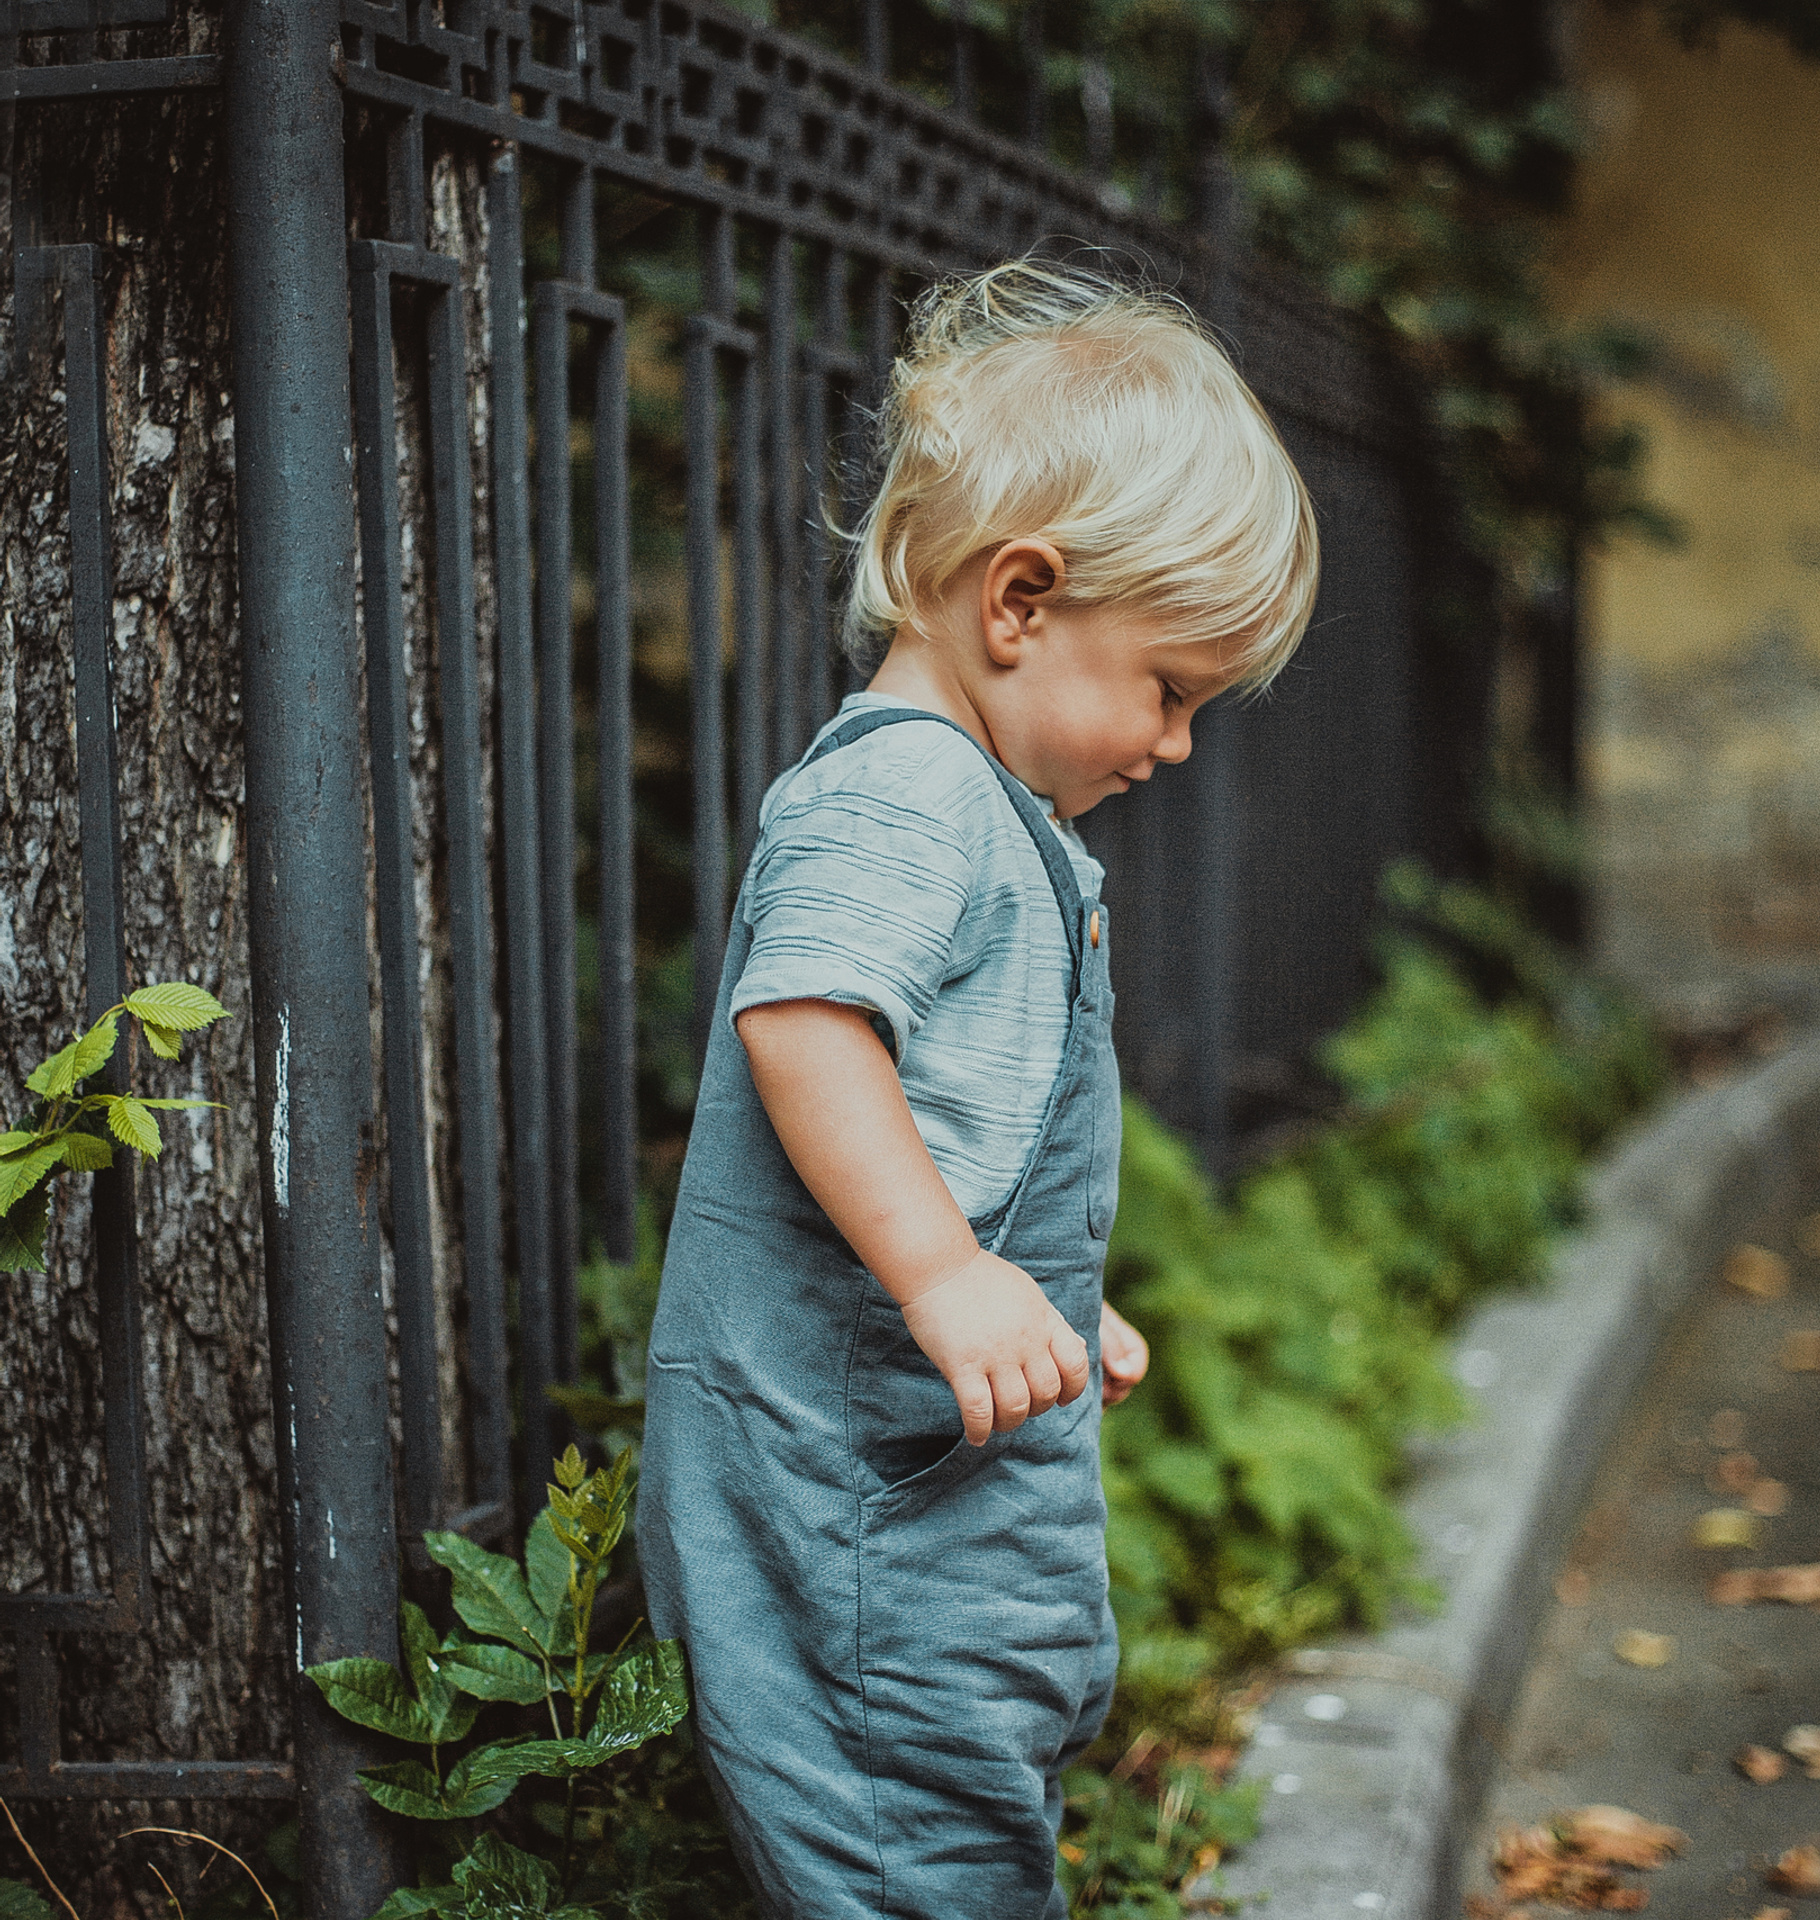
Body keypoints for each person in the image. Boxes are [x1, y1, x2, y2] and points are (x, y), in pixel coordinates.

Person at [636, 256, 1320, 1919]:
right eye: (1169, 690)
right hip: (853, 1491)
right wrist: (946, 1273)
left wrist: (1045, 1292)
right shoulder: (904, 801)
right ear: (1019, 601)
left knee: (965, 1798)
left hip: (915, 1463)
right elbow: (805, 1027)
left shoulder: (983, 808)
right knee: (910, 1839)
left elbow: (945, 1109)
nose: (1171, 746)